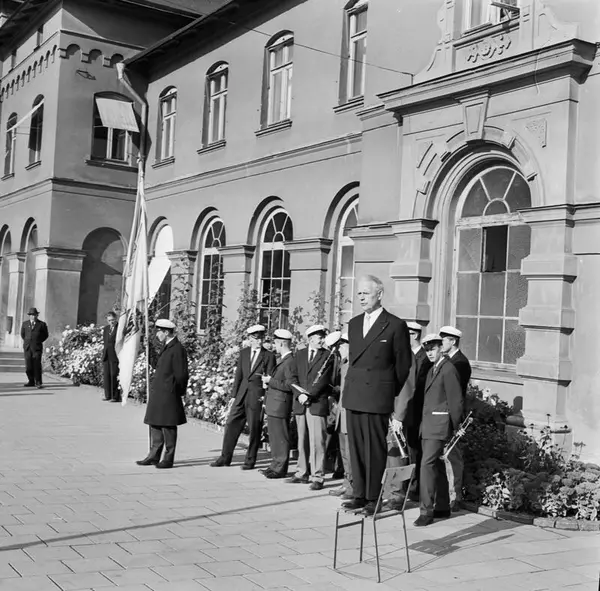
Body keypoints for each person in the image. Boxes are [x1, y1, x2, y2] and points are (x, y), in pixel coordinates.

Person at [342, 275, 412, 515]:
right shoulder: (353, 323)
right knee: (356, 448)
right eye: (359, 293)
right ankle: (359, 494)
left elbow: (403, 366)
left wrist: (386, 390)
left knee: (374, 450)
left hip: (376, 396)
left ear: (379, 294)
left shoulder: (394, 325)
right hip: (354, 394)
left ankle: (374, 497)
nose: (361, 297)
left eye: (366, 293)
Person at [414, 333, 463, 527]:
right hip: (428, 425)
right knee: (436, 465)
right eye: (426, 350)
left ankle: (426, 511)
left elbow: (456, 400)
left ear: (441, 348)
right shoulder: (434, 368)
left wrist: (455, 426)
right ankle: (442, 505)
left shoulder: (448, 369)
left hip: (439, 425)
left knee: (426, 465)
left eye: (433, 349)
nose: (429, 353)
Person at [211, 324, 276, 469]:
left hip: (256, 396)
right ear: (250, 338)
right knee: (231, 424)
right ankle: (225, 457)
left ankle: (250, 460)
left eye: (261, 338)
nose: (259, 341)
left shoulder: (269, 356)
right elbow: (239, 375)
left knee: (254, 428)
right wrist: (234, 395)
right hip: (241, 394)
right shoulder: (244, 353)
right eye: (255, 338)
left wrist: (265, 397)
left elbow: (270, 377)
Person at [136, 319, 189, 469]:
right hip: (159, 391)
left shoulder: (177, 349)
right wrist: (149, 349)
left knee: (168, 426)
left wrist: (177, 392)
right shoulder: (167, 347)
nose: (157, 334)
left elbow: (181, 374)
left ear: (166, 332)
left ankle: (168, 458)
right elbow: (156, 364)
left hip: (169, 393)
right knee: (156, 424)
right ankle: (153, 456)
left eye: (159, 331)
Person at [289, 325, 333, 490]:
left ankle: (317, 476)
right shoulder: (299, 355)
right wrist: (299, 394)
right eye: (318, 337)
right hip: (301, 403)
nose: (322, 339)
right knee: (302, 440)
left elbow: (324, 380)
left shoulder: (328, 356)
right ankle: (302, 472)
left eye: (322, 336)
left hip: (316, 403)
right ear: (310, 339)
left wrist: (309, 395)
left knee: (317, 442)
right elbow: (291, 377)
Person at [439, 325, 472, 511]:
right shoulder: (448, 360)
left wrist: (456, 419)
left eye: (444, 340)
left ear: (453, 341)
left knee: (453, 455)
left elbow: (455, 393)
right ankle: (446, 493)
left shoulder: (459, 363)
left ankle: (455, 496)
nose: (441, 343)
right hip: (444, 413)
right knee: (445, 455)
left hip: (454, 415)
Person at [260, 329, 298, 479]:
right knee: (275, 437)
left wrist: (271, 381)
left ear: (282, 343)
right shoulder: (283, 359)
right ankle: (275, 465)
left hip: (281, 404)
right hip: (275, 404)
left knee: (281, 437)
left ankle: (280, 467)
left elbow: (290, 385)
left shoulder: (289, 361)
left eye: (275, 343)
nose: (274, 346)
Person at [328, 332, 353, 499]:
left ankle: (353, 486)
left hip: (350, 416)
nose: (339, 351)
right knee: (344, 453)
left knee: (350, 454)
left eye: (340, 347)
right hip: (341, 417)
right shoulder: (344, 365)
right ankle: (346, 483)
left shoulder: (353, 365)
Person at [21, 307, 49, 389]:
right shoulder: (25, 324)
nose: (33, 316)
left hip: (36, 348)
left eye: (34, 315)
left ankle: (38, 382)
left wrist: (38, 340)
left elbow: (45, 335)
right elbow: (23, 334)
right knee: (28, 366)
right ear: (29, 316)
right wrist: (27, 341)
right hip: (27, 347)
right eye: (31, 315)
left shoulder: (41, 324)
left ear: (37, 315)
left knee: (36, 365)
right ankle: (31, 381)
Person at [102, 311, 120, 402]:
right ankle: (107, 395)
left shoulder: (119, 328)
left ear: (116, 319)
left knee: (114, 375)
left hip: (115, 355)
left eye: (113, 320)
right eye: (109, 320)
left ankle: (115, 396)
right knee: (107, 375)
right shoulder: (106, 329)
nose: (111, 322)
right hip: (106, 354)